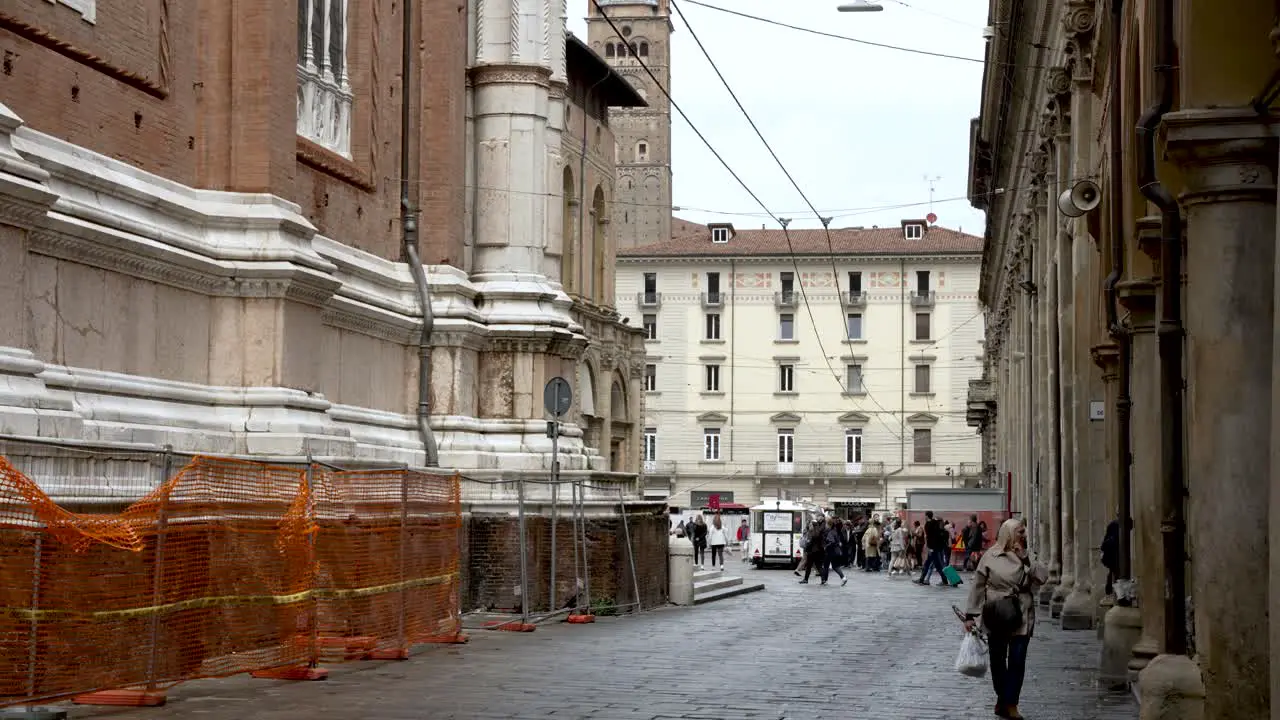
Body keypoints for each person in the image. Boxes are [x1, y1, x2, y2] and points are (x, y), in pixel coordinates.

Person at [963, 518, 1049, 720]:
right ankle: (1002, 697)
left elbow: (1043, 577)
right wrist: (970, 615)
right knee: (997, 659)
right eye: (1020, 532)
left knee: (1018, 660)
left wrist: (1026, 558)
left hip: (1022, 612)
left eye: (1024, 531)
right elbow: (977, 585)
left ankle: (1011, 703)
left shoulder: (1028, 555)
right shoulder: (990, 556)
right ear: (1008, 534)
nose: (1024, 535)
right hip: (997, 611)